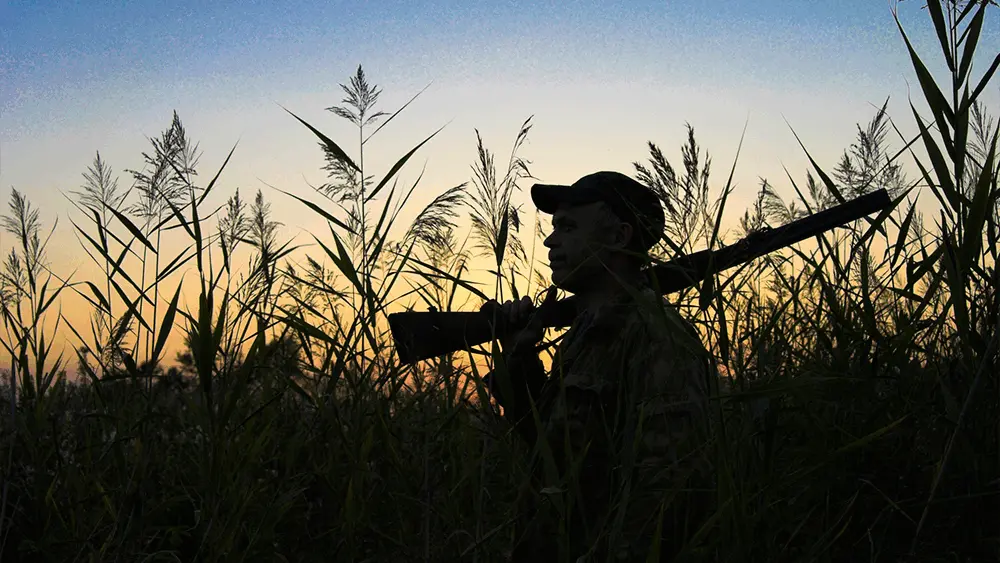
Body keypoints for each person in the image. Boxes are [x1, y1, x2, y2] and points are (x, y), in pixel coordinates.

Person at [482, 171, 716, 562]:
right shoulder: (588, 331)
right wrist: (518, 359)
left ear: (619, 237)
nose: (550, 240)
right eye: (554, 227)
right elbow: (552, 450)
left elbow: (667, 493)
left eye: (568, 227)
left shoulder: (655, 335)